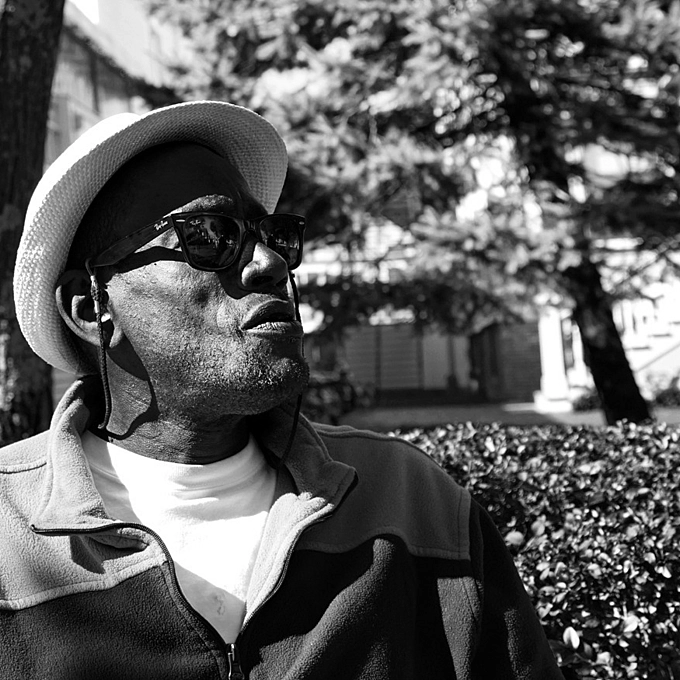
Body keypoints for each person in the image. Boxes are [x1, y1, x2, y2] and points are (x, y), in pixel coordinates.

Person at [2, 100, 564, 679]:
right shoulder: (7, 537)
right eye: (209, 234)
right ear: (89, 306)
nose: (270, 263)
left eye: (271, 235)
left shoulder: (413, 503)